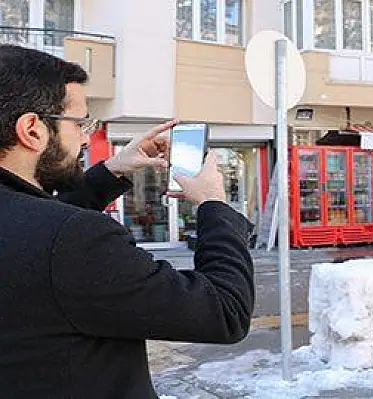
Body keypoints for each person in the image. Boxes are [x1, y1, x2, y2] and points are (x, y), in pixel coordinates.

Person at [0, 45, 254, 397]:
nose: (87, 137)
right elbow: (225, 311)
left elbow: (32, 226)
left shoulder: (40, 231)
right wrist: (214, 205)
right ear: (32, 130)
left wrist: (113, 171)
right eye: (80, 123)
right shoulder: (76, 240)